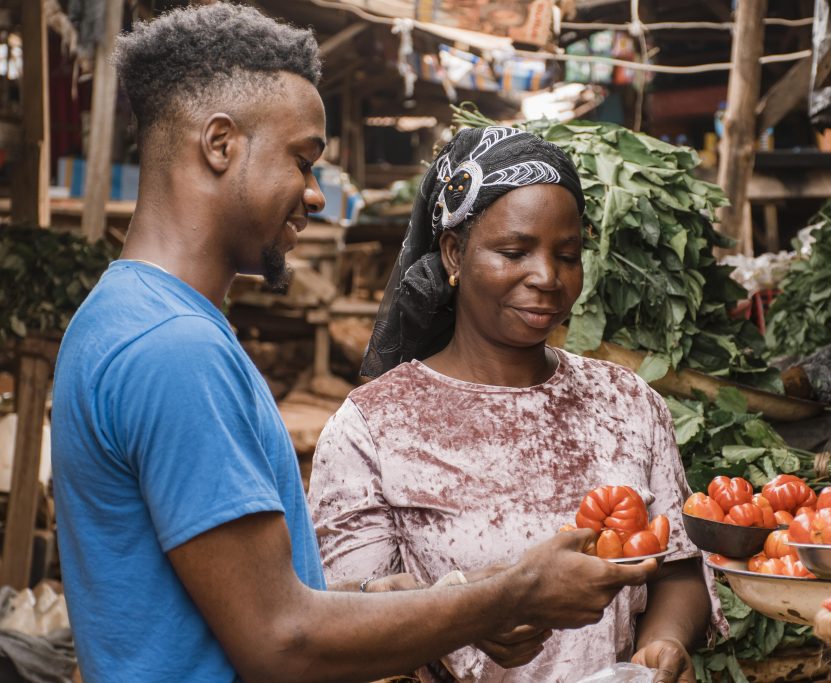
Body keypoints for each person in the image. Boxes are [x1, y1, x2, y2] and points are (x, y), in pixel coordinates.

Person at [49, 5, 659, 682]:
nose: (315, 195)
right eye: (303, 161)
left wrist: (392, 600)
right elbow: (282, 640)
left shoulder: (118, 315)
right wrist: (506, 596)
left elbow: (230, 603)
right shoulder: (175, 351)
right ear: (220, 144)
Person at [308, 126, 722, 683]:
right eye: (514, 251)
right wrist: (467, 617)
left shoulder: (627, 402)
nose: (547, 277)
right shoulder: (373, 427)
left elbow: (676, 569)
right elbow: (352, 624)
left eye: (568, 254)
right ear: (454, 252)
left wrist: (663, 642)